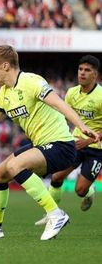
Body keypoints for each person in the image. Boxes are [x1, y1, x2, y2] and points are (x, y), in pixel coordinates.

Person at [0, 45, 100, 240]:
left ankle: (55, 214)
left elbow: (60, 104)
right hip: (41, 146)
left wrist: (81, 126)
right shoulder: (3, 94)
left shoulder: (31, 81)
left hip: (61, 144)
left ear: (5, 66)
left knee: (16, 165)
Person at [34, 55, 102, 224]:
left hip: (97, 149)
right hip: (75, 144)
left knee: (80, 190)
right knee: (56, 177)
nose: (82, 73)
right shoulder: (72, 93)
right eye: (80, 69)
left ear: (95, 74)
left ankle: (89, 192)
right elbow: (65, 116)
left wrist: (90, 140)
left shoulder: (101, 96)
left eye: (87, 70)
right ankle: (52, 215)